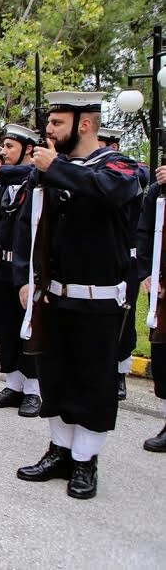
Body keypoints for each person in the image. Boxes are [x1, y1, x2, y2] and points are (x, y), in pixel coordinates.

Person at [14, 92, 139, 499]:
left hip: (99, 299)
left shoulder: (118, 165)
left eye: (56, 123)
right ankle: (60, 450)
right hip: (54, 295)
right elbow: (26, 225)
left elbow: (111, 191)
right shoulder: (47, 170)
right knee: (57, 376)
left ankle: (86, 461)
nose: (47, 130)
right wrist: (25, 278)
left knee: (92, 380)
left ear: (84, 125)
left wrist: (58, 168)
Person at [0, 124, 42, 417]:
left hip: (28, 267)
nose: (3, 153)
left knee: (28, 325)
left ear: (29, 150)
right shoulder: (4, 181)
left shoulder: (36, 179)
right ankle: (14, 384)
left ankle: (33, 390)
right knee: (5, 324)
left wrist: (0, 171)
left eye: (10, 147)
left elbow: (29, 175)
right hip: (2, 263)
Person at [99, 126, 149, 401]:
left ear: (114, 146)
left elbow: (142, 172)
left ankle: (119, 372)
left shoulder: (128, 169)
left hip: (126, 256)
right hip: (98, 256)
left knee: (124, 317)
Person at [136, 163, 166, 453]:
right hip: (161, 286)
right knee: (163, 352)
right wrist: (146, 271)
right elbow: (143, 232)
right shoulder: (157, 192)